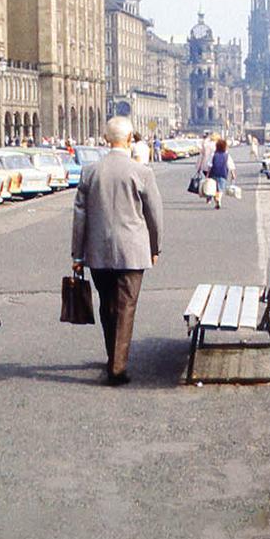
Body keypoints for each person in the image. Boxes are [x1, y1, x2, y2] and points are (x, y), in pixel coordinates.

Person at [72, 117, 164, 385]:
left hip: (97, 251)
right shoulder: (142, 172)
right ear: (130, 139)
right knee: (126, 307)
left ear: (105, 139)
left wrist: (77, 255)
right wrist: (155, 246)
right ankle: (117, 367)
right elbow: (154, 215)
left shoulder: (90, 171)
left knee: (107, 304)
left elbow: (80, 216)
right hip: (133, 251)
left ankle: (113, 356)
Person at [205, 136, 234, 209]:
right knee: (220, 188)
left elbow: (210, 165)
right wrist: (233, 174)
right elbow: (230, 165)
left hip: (213, 173)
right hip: (223, 173)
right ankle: (219, 200)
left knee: (213, 188)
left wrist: (207, 174)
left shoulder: (213, 154)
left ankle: (216, 199)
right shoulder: (227, 155)